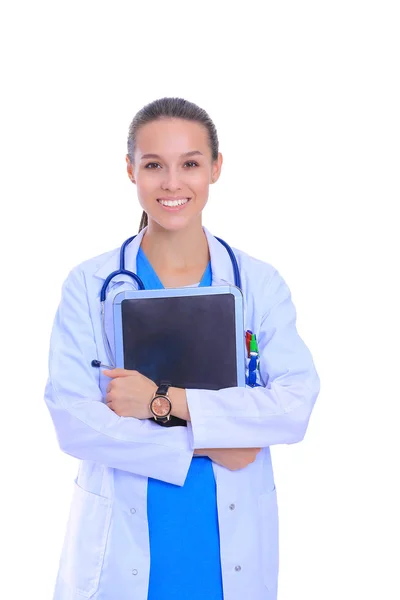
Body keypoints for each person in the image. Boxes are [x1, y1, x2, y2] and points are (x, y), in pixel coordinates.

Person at [44, 96, 320, 600]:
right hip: (122, 550)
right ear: (131, 170)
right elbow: (74, 420)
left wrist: (160, 403)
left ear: (216, 167)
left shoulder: (258, 283)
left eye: (190, 163)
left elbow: (295, 405)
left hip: (226, 549)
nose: (173, 183)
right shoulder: (91, 284)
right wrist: (215, 440)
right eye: (154, 165)